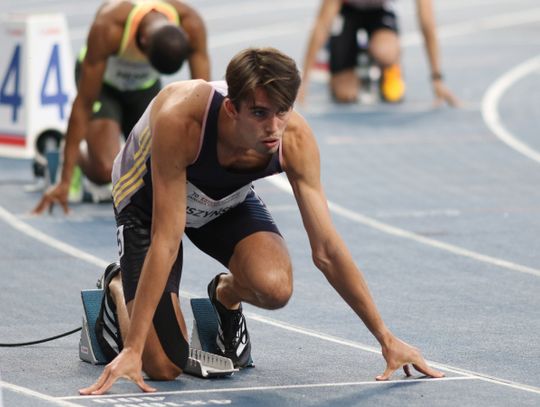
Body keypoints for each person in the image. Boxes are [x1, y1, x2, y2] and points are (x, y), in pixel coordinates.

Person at [79, 47, 444, 395]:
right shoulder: (183, 120)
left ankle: (223, 295)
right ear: (232, 108)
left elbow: (327, 250)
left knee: (274, 287)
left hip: (224, 200)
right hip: (149, 201)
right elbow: (167, 238)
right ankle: (118, 286)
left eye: (282, 111)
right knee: (163, 366)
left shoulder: (294, 139)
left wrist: (385, 338)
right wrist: (133, 348)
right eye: (259, 114)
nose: (273, 127)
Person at [33, 0, 210, 214]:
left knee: (160, 166)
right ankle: (73, 153)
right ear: (143, 40)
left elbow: (203, 104)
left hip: (144, 87)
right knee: (106, 170)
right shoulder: (108, 27)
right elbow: (83, 105)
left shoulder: (191, 25)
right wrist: (64, 181)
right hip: (104, 87)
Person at [298, 0, 459, 105]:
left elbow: (427, 23)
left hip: (380, 11)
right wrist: (304, 81)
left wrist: (437, 78)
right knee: (344, 95)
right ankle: (354, 62)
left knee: (385, 52)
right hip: (347, 11)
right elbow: (322, 25)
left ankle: (389, 67)